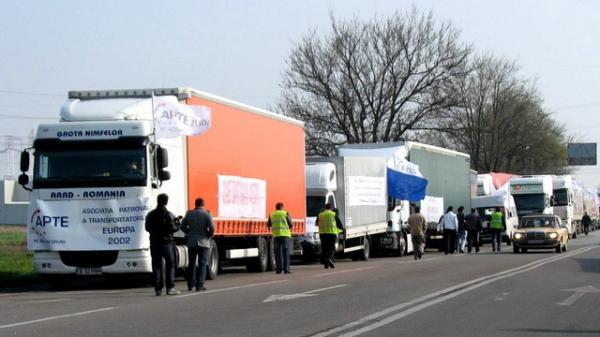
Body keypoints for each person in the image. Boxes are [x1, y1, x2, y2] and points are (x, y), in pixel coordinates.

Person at [145, 193, 180, 296]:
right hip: (167, 243)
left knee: (156, 266)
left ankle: (158, 289)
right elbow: (172, 229)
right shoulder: (169, 214)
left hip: (154, 243)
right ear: (166, 202)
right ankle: (170, 288)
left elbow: (147, 228)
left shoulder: (150, 214)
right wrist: (178, 224)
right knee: (170, 265)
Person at [181, 197, 215, 291]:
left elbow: (182, 226)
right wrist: (208, 235)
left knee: (191, 263)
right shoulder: (207, 214)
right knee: (202, 263)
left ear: (195, 204)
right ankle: (199, 285)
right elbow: (212, 227)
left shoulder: (189, 214)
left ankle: (190, 284)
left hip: (191, 242)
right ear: (203, 205)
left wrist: (189, 232)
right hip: (203, 242)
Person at [267, 202, 293, 274]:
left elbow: (268, 224)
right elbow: (291, 224)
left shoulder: (272, 214)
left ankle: (278, 269)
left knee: (277, 253)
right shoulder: (285, 213)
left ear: (276, 207)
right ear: (282, 207)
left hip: (276, 236)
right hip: (285, 235)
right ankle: (286, 269)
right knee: (286, 252)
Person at [316, 203, 344, 269]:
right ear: (331, 208)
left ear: (325, 208)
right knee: (332, 249)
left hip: (322, 234)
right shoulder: (333, 214)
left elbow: (316, 223)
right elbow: (340, 225)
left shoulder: (320, 215)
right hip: (331, 234)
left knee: (325, 249)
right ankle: (328, 259)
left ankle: (326, 265)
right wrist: (341, 230)